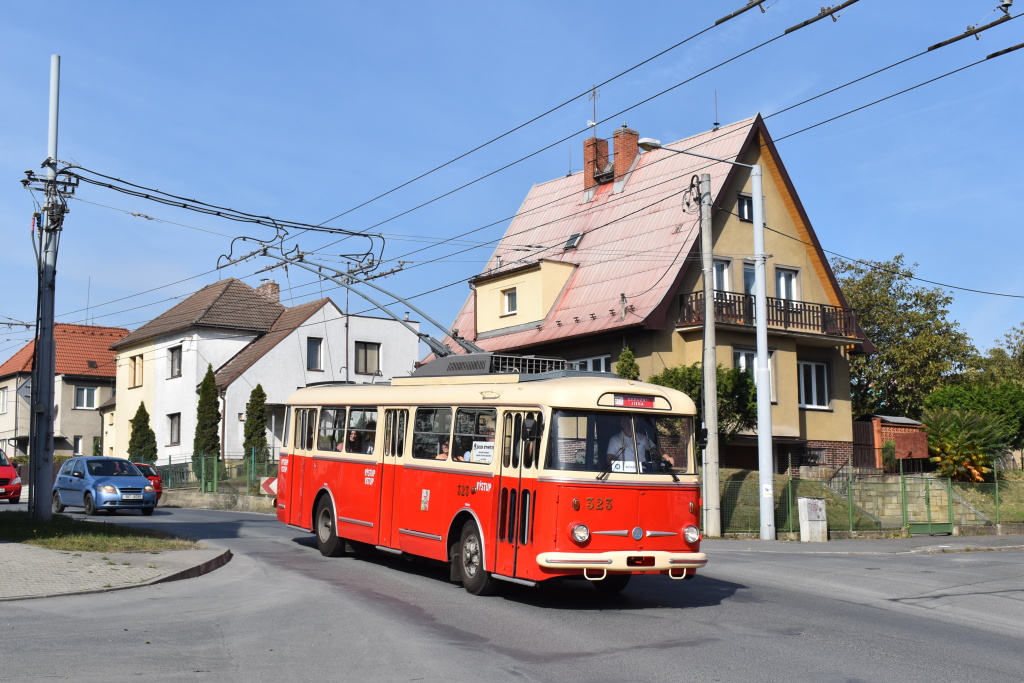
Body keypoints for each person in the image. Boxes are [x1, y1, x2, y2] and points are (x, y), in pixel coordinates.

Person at [605, 416, 674, 471]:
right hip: (623, 472)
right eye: (627, 422)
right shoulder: (615, 439)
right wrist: (618, 466)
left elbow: (655, 449)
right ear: (622, 423)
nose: (630, 424)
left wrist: (667, 457)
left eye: (632, 421)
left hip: (642, 472)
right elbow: (610, 458)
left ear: (636, 422)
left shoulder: (643, 438)